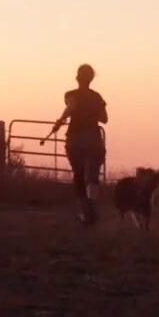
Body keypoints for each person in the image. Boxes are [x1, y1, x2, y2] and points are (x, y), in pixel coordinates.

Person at [44, 64, 107, 225]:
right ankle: (91, 207)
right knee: (92, 176)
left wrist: (59, 122)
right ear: (91, 79)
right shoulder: (97, 97)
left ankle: (85, 213)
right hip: (94, 139)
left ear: (77, 78)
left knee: (79, 175)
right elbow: (104, 118)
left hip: (75, 139)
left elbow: (71, 107)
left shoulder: (71, 94)